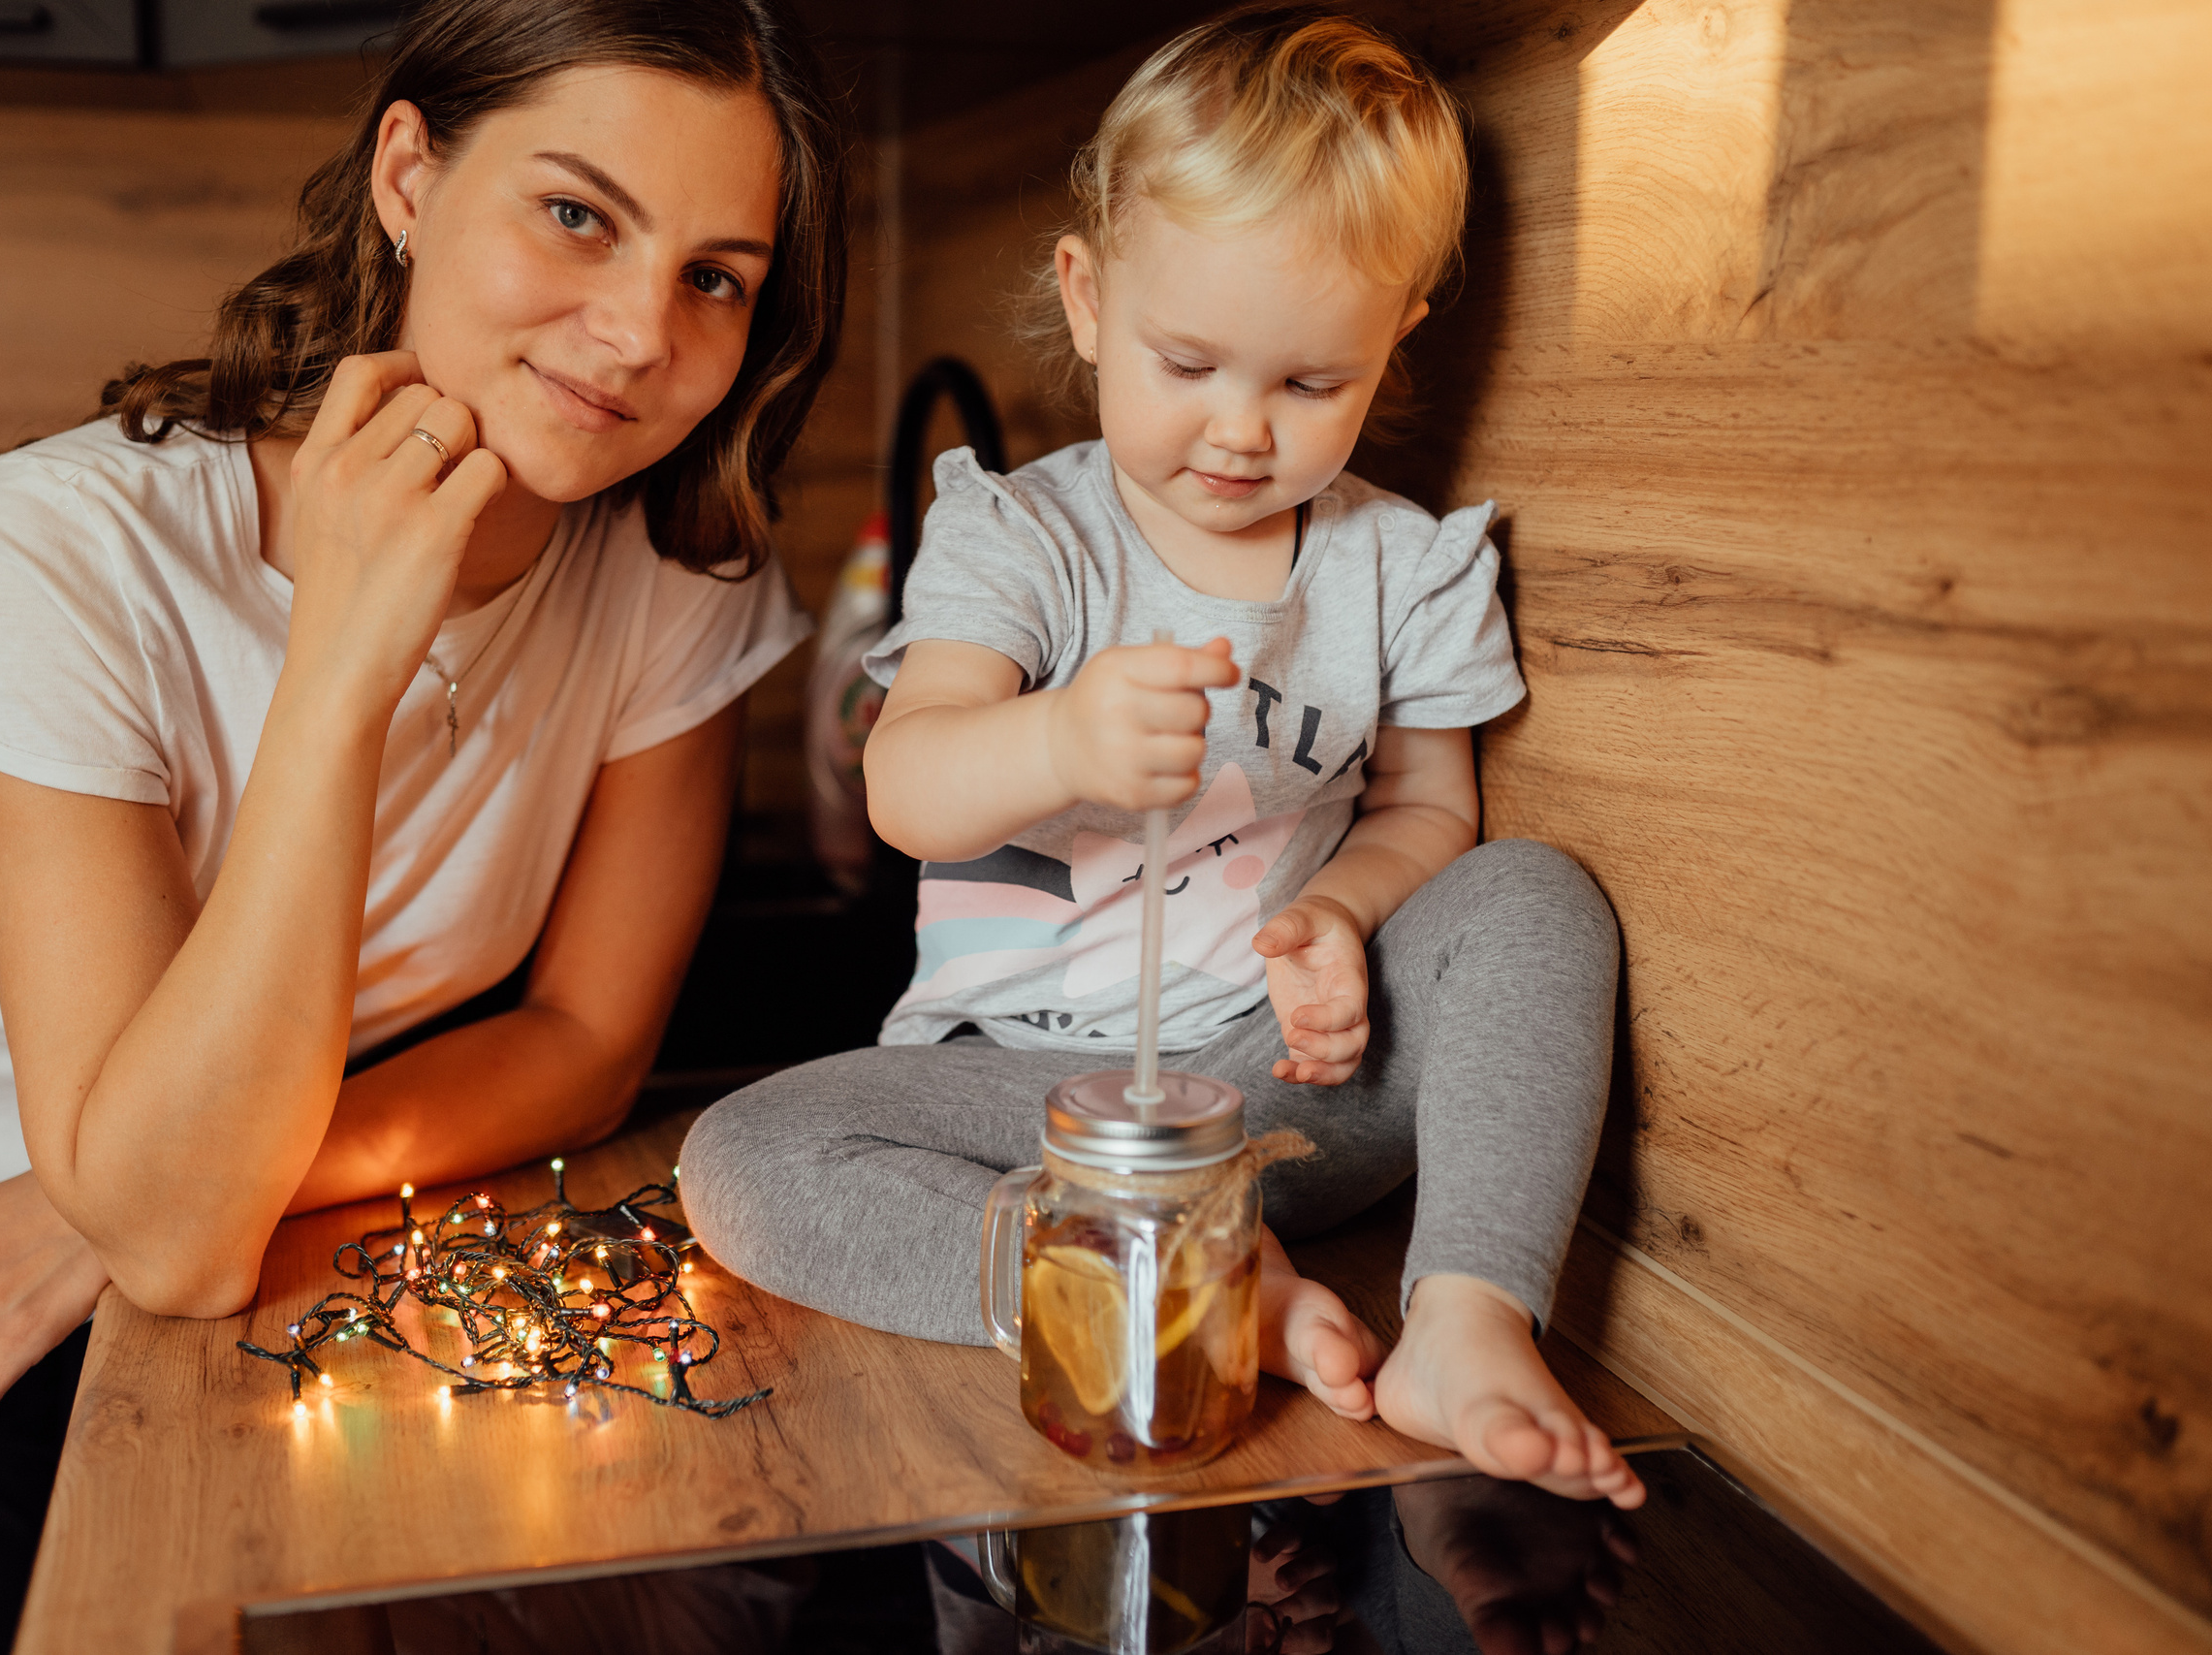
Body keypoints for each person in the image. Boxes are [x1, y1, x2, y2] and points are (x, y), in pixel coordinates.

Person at [0, 2, 846, 1648]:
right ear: (410, 171)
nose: (635, 332)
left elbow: (588, 1039)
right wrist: (342, 659)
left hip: (147, 1231)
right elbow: (174, 1236)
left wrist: (99, 1203)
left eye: (714, 276)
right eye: (576, 214)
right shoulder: (63, 542)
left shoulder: (667, 572)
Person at [679, 5, 1644, 1509]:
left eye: (1311, 384)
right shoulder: (1020, 536)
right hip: (1022, 1097)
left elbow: (1429, 810)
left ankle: (1467, 1314)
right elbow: (909, 789)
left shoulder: (1409, 566)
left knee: (1534, 894)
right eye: (1187, 361)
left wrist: (1342, 914)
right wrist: (1059, 732)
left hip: (1288, 1095)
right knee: (738, 1157)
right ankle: (1165, 1289)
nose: (1242, 432)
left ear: (1395, 341)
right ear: (1084, 298)